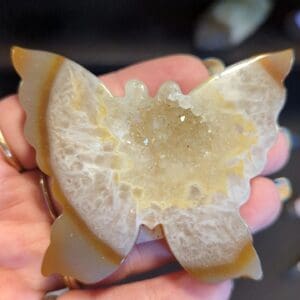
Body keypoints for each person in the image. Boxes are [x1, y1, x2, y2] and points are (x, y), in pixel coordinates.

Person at [0, 54, 291, 300]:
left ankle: (228, 259)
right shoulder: (98, 143)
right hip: (112, 192)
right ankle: (81, 251)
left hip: (193, 197)